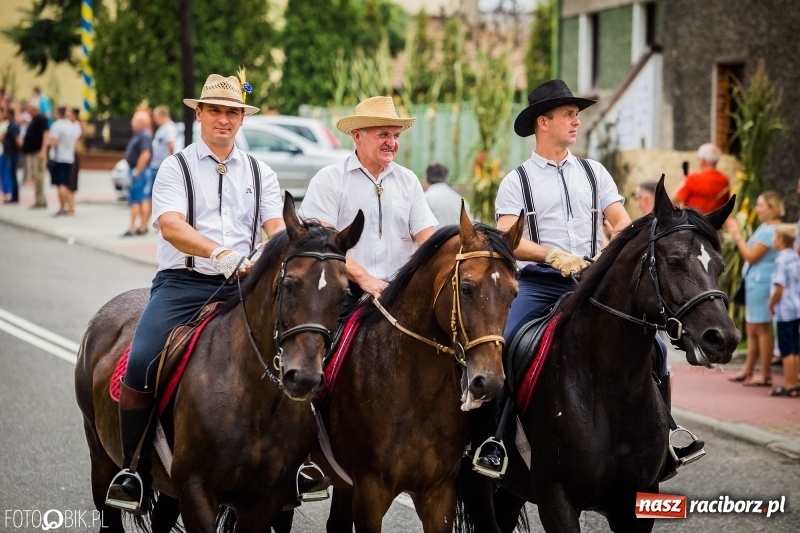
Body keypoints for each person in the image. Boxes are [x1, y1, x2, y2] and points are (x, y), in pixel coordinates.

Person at [477, 79, 701, 478]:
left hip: (593, 282)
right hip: (540, 283)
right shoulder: (518, 180)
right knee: (507, 345)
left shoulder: (594, 173)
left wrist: (615, 250)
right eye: (568, 115)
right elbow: (509, 238)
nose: (576, 121)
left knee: (659, 350)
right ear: (542, 122)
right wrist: (552, 254)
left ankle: (665, 438)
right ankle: (495, 442)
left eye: (577, 114)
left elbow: (621, 222)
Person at [105, 72, 287, 513]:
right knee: (143, 358)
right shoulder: (175, 166)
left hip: (244, 285)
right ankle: (133, 469)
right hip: (184, 285)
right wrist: (217, 252)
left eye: (232, 112)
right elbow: (170, 225)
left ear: (241, 119)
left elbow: (276, 228)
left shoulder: (262, 173)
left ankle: (294, 464)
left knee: (299, 353)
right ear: (200, 114)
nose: (224, 120)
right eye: (216, 111)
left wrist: (274, 252)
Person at [298, 96, 437, 305]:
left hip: (400, 292)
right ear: (357, 137)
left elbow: (428, 240)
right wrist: (365, 279)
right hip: (344, 291)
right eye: (383, 134)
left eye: (396, 135)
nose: (391, 142)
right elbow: (322, 243)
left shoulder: (408, 180)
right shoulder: (330, 179)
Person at [726, 191, 782, 387]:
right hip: (754, 283)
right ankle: (749, 369)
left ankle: (764, 373)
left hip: (762, 283)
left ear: (772, 208)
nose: (757, 209)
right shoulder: (765, 227)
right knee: (752, 327)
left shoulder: (770, 230)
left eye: (761, 205)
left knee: (761, 328)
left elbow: (751, 256)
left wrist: (737, 237)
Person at [767, 224, 800, 397]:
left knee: (786, 348)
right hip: (796, 308)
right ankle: (795, 381)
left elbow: (779, 287)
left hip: (785, 310)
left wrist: (771, 305)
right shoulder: (795, 256)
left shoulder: (781, 259)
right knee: (795, 347)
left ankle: (789, 385)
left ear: (780, 240)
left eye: (774, 237)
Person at [144, 105, 178, 230]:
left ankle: (153, 223)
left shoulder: (169, 128)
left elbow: (171, 145)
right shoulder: (163, 128)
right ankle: (147, 223)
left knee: (156, 196)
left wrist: (169, 162)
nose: (154, 119)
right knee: (151, 196)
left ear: (162, 115)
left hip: (160, 166)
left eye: (156, 116)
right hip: (156, 165)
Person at [671, 143, 730, 213]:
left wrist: (684, 181)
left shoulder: (693, 178)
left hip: (694, 222)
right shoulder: (725, 180)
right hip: (715, 222)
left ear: (703, 160)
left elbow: (673, 201)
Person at [121, 110, 153, 236]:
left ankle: (134, 227)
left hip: (139, 171)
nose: (131, 123)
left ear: (141, 123)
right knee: (142, 199)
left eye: (134, 120)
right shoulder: (141, 134)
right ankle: (142, 226)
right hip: (140, 170)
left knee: (135, 199)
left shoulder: (143, 135)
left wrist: (137, 171)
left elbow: (145, 154)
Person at [47, 106, 80, 216]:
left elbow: (54, 142)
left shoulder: (56, 126)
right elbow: (75, 143)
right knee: (67, 183)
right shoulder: (71, 126)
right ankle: (70, 206)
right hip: (70, 157)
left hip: (59, 158)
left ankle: (62, 207)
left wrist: (49, 143)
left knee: (60, 184)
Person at [21, 100, 49, 209]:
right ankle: (40, 199)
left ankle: (40, 201)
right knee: (35, 176)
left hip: (38, 152)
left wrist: (43, 151)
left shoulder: (41, 120)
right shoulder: (33, 120)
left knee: (39, 177)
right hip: (32, 152)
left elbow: (45, 135)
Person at [424, 162, 470, 229]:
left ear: (427, 178)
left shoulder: (425, 199)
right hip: (457, 238)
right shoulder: (460, 200)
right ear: (446, 177)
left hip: (434, 239)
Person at [2, 107, 20, 203]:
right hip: (9, 153)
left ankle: (15, 196)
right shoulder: (10, 125)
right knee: (11, 175)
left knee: (12, 175)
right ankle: (14, 195)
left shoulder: (13, 125)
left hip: (12, 154)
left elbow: (17, 140)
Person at [67, 107, 83, 201]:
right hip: (68, 154)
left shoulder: (76, 126)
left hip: (72, 154)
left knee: (72, 180)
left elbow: (75, 142)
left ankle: (71, 203)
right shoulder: (69, 125)